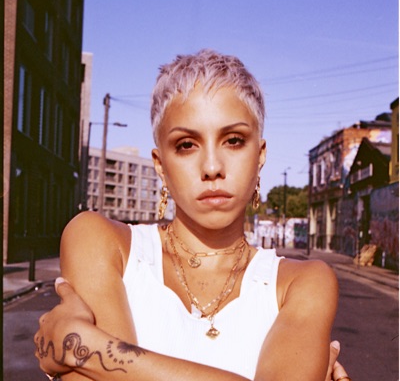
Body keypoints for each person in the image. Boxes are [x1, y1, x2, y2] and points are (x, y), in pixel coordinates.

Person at [35, 49, 351, 381]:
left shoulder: (304, 282)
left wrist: (84, 348)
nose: (212, 167)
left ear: (259, 156)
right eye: (186, 144)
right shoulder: (100, 242)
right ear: (160, 165)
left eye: (233, 140)